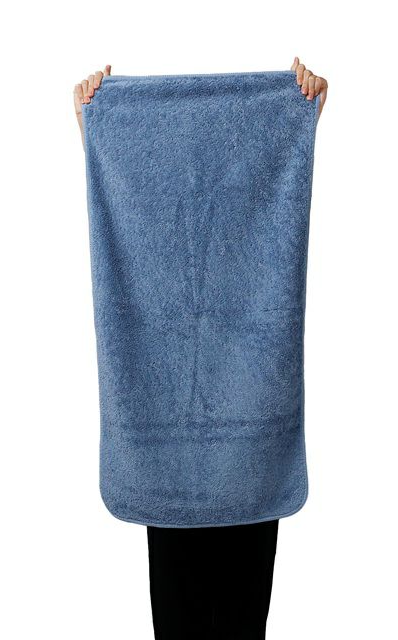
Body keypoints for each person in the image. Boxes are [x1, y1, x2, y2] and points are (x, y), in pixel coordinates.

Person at [73, 58, 328, 640]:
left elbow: (270, 188)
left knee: (239, 625)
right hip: (168, 432)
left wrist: (298, 117)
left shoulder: (253, 174)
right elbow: (133, 209)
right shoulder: (143, 180)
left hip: (249, 424)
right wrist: (99, 130)